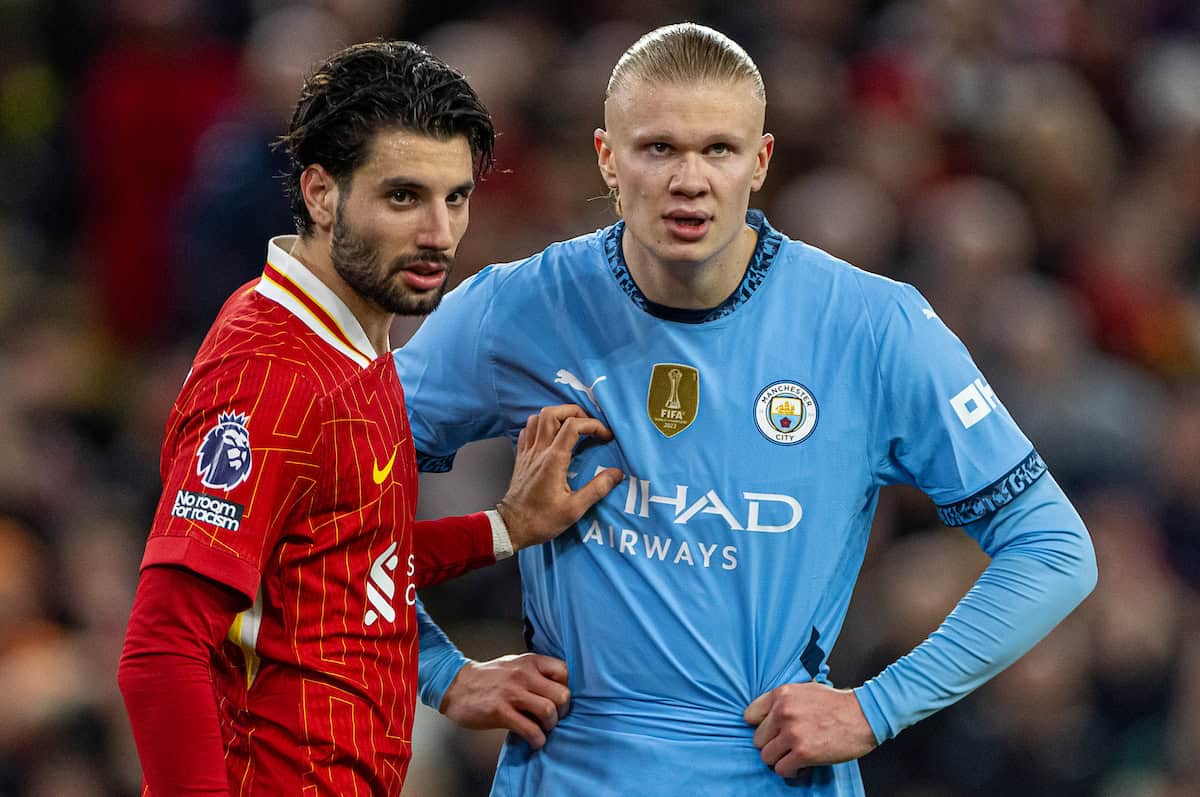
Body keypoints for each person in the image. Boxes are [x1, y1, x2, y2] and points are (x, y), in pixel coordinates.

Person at [395, 23, 1097, 796]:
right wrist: (440, 672)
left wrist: (877, 707)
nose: (689, 179)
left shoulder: (868, 327)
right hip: (569, 768)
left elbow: (1053, 548)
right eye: (657, 148)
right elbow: (315, 485)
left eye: (719, 150)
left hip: (770, 772)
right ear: (607, 158)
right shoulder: (519, 308)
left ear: (760, 162)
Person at [116, 40, 622, 796]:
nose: (439, 233)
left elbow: (338, 561)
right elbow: (161, 646)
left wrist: (505, 527)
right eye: (403, 196)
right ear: (322, 194)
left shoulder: (354, 333)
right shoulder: (272, 377)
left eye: (455, 196)